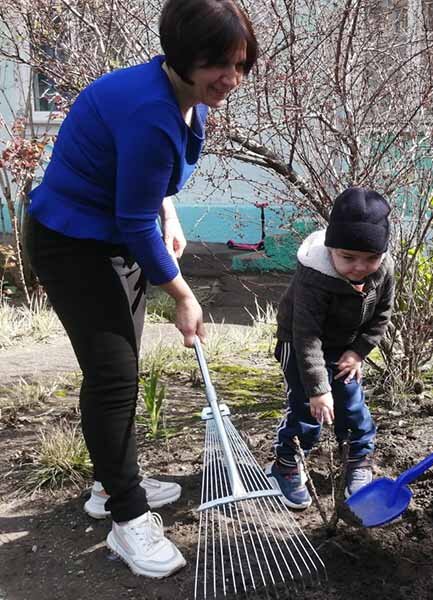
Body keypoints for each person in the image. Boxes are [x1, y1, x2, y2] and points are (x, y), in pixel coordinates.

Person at [25, 0, 257, 578]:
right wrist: (183, 295)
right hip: (74, 244)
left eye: (241, 64)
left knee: (117, 374)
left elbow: (147, 181)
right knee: (114, 379)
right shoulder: (150, 110)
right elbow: (133, 219)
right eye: (218, 65)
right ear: (181, 57)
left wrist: (169, 215)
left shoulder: (178, 94)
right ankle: (126, 520)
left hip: (110, 238)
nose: (231, 79)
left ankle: (112, 481)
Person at [267, 187, 394, 509]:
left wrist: (358, 352)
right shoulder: (314, 276)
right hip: (299, 345)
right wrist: (318, 389)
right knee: (309, 409)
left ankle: (357, 460)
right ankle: (286, 464)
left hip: (344, 346)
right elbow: (306, 335)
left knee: (351, 406)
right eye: (348, 258)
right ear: (331, 248)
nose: (359, 267)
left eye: (371, 259)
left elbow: (382, 314)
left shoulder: (383, 269)